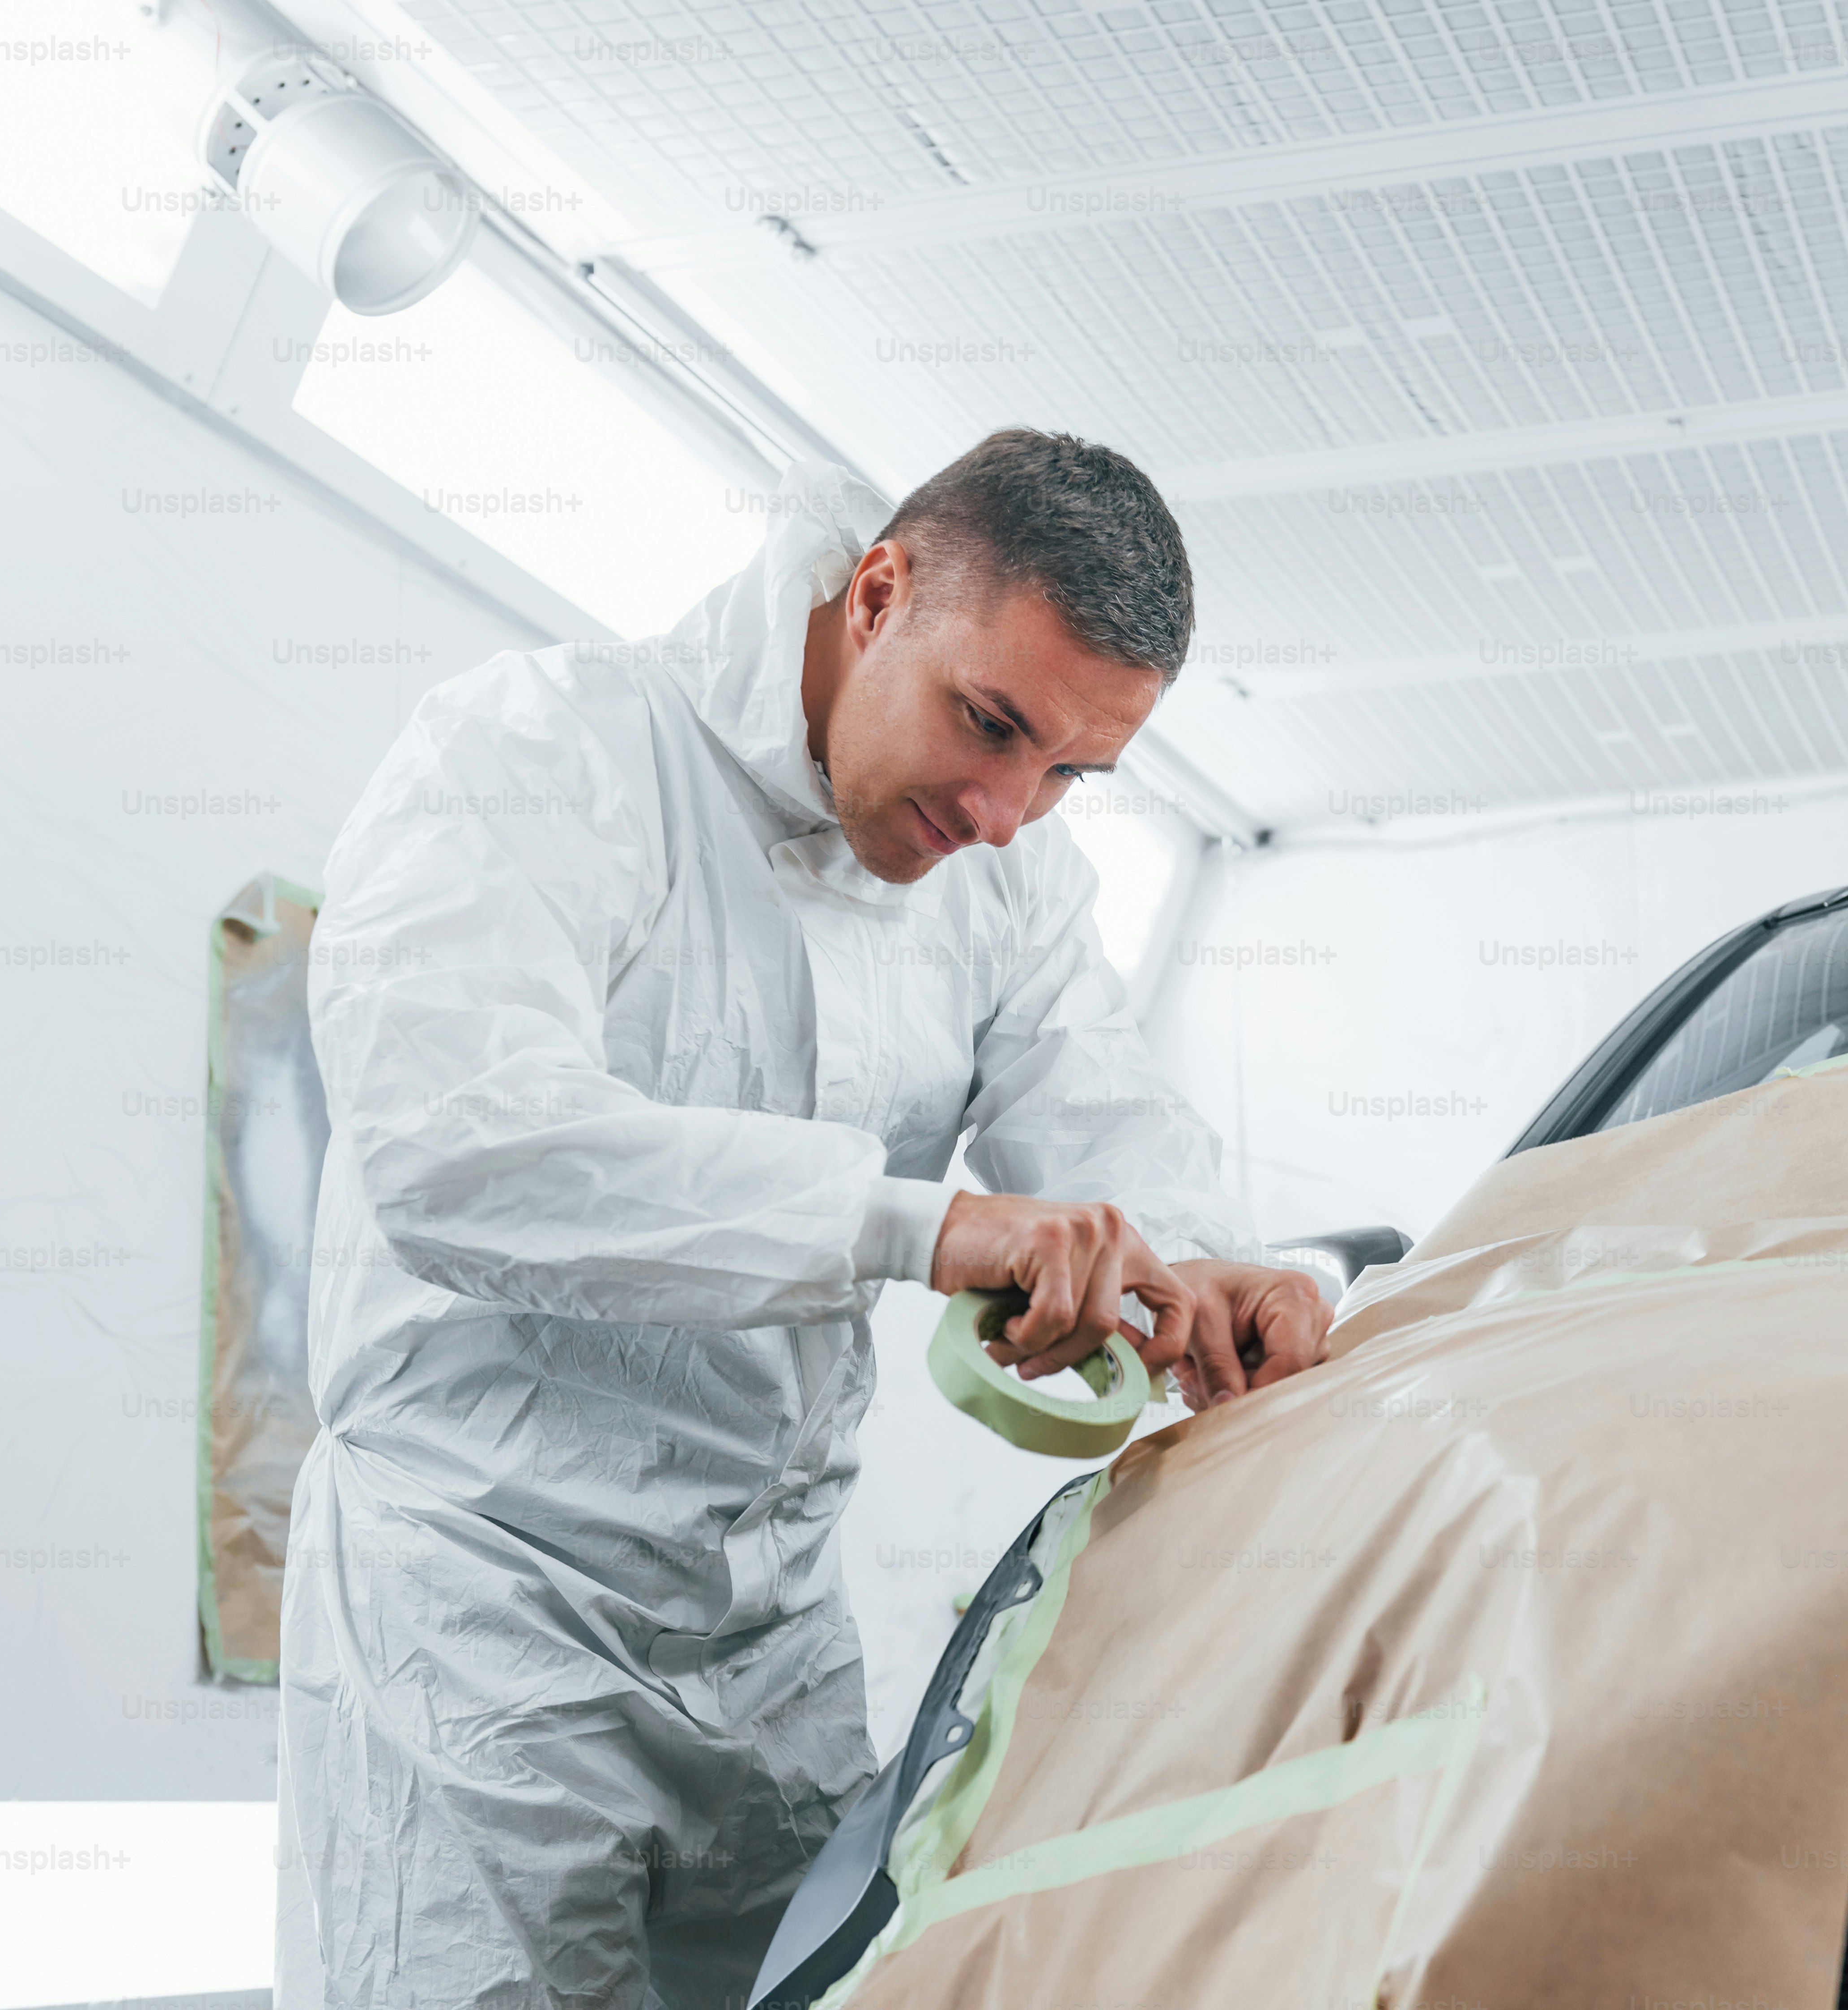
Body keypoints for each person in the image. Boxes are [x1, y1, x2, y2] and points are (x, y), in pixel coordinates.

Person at [274, 431, 1329, 2010]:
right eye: (990, 726)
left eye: (1068, 776)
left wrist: (1200, 1272)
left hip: (771, 1644)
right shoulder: (550, 751)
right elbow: (459, 1148)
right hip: (478, 1617)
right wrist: (933, 1229)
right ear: (881, 590)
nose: (1002, 810)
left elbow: (1105, 1126)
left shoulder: (1010, 884)